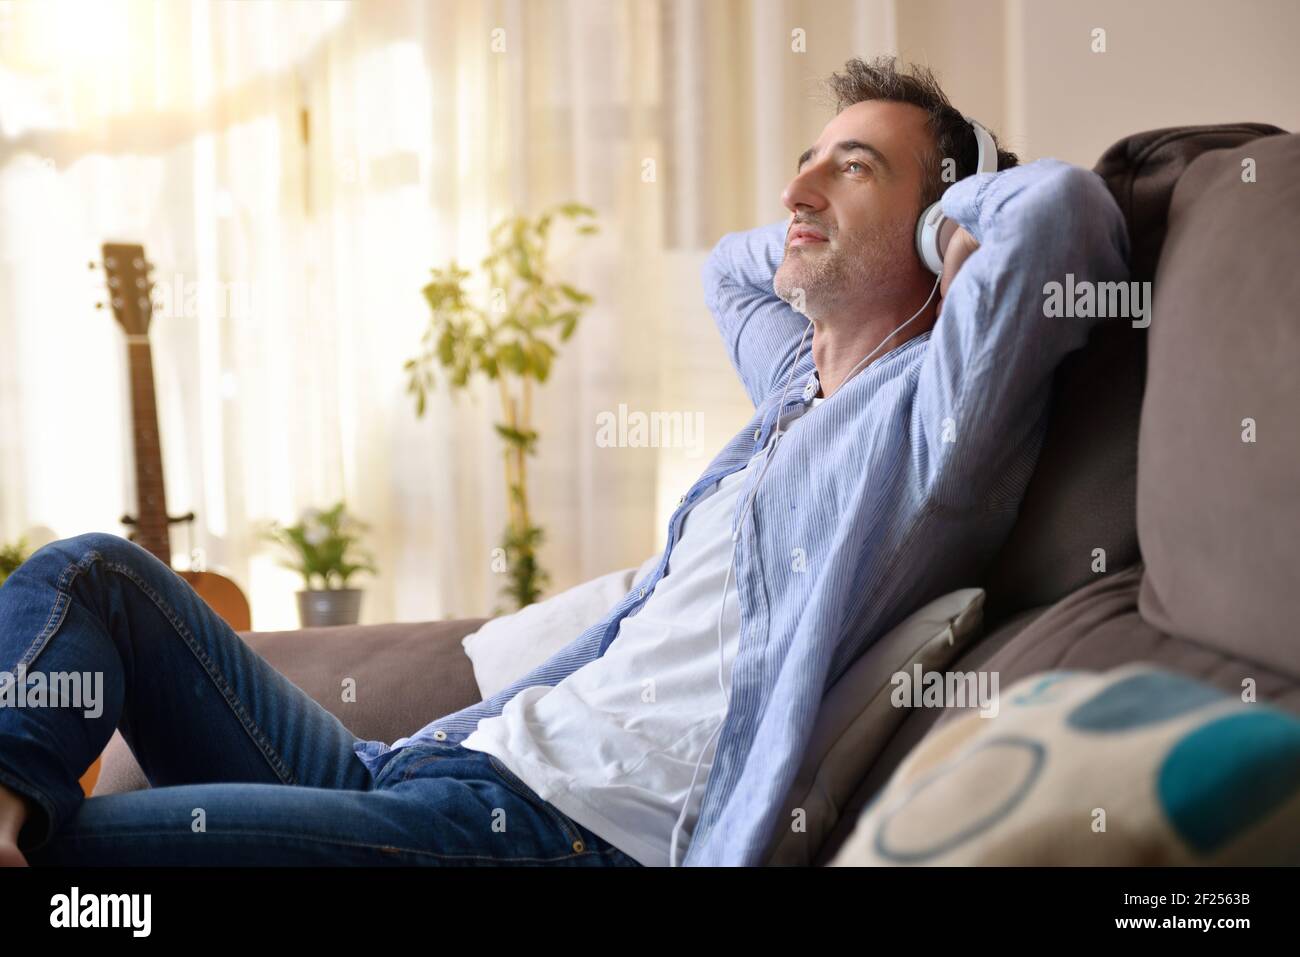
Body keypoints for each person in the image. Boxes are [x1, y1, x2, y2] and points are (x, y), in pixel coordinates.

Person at [0, 56, 1129, 867]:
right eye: (801, 167)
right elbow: (730, 274)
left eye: (854, 170)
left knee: (77, 864)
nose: (796, 194)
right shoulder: (795, 391)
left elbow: (1065, 213)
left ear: (944, 235)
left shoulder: (928, 418)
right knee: (91, 571)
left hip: (548, 834)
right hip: (416, 773)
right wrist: (846, 206)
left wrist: (950, 212)